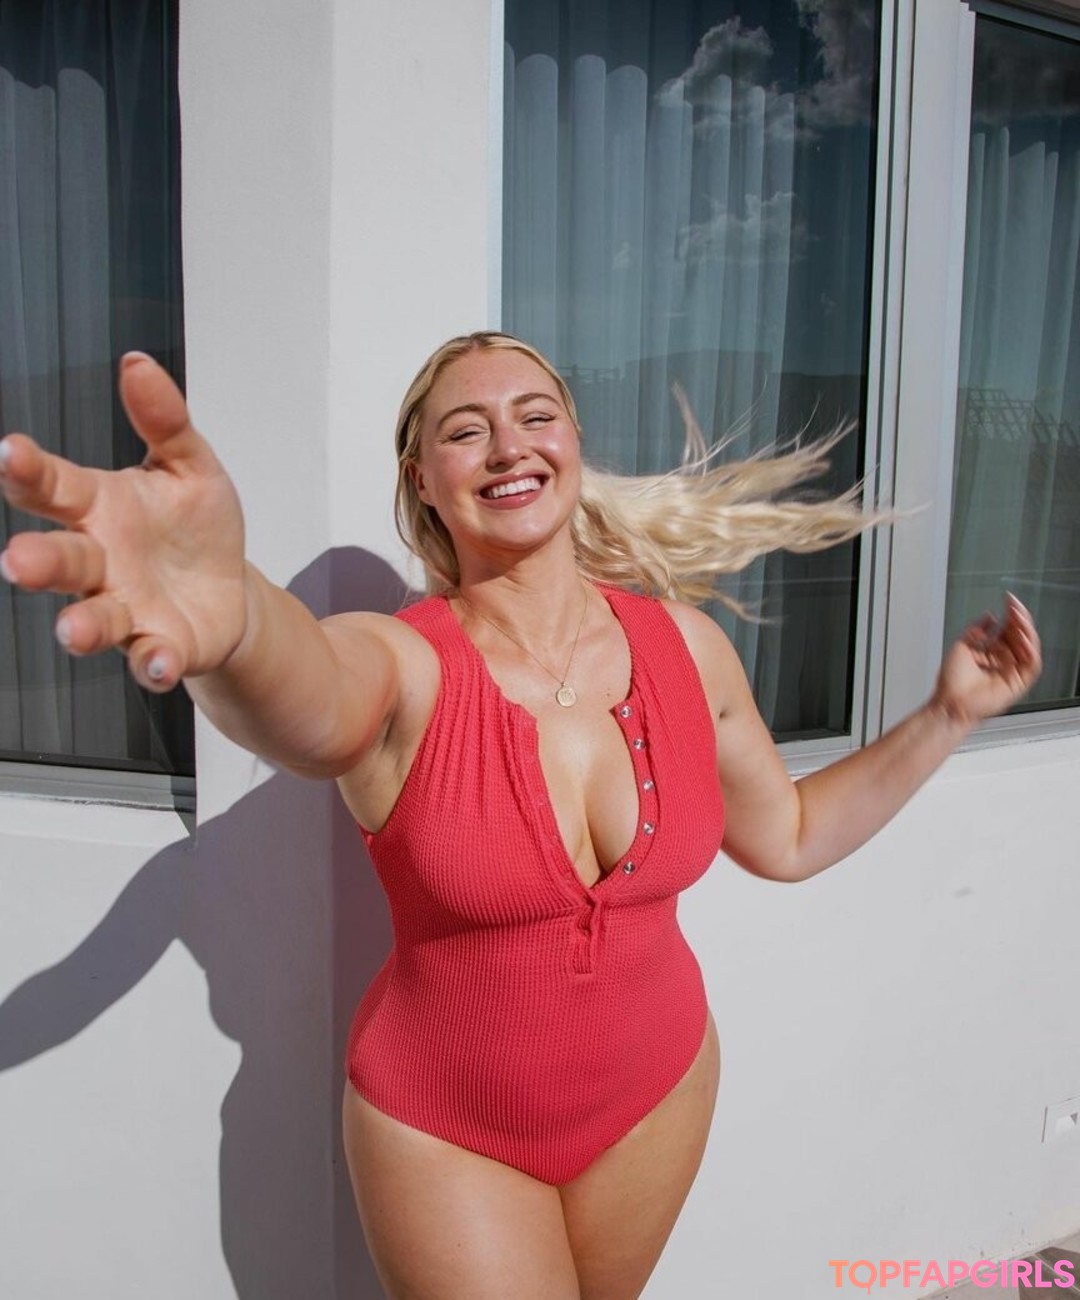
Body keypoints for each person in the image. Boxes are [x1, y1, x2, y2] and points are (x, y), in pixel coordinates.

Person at [0, 333, 1041, 1300]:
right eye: (466, 430)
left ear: (573, 441)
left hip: (657, 1093)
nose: (508, 446)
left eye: (535, 416)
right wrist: (233, 619)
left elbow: (791, 835)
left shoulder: (689, 649)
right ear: (423, 478)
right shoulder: (405, 661)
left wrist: (947, 716)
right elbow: (307, 693)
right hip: (448, 1128)